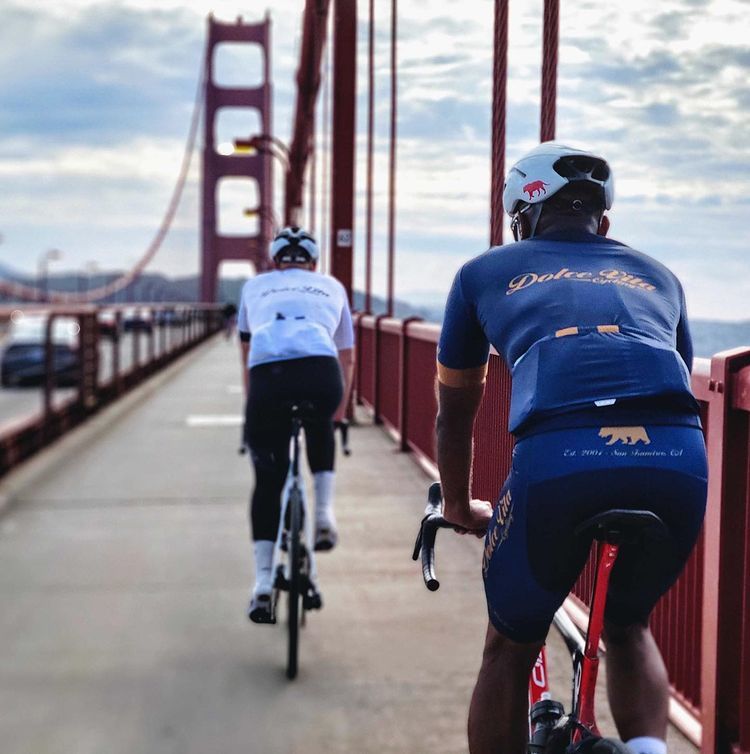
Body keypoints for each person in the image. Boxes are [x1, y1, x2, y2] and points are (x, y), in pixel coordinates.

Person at [436, 143, 707, 754]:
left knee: (509, 645)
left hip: (561, 459)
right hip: (676, 458)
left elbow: (454, 417)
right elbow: (677, 380)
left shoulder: (483, 273)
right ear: (603, 222)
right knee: (629, 625)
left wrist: (457, 506)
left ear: (521, 217)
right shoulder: (658, 274)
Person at [237, 226, 355, 624]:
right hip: (320, 373)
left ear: (274, 263)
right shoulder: (331, 286)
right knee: (321, 421)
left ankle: (264, 585)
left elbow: (246, 355)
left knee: (267, 482)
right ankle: (323, 515)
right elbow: (347, 358)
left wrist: (252, 405)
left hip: (269, 379)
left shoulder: (254, 287)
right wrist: (338, 413)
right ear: (313, 263)